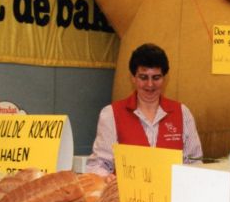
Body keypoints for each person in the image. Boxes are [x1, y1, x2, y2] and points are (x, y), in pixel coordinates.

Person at [86, 43, 203, 176]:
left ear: (165, 78)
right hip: (126, 190)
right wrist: (106, 178)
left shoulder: (182, 113)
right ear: (133, 78)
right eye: (143, 77)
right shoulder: (111, 114)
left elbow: (195, 162)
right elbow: (99, 164)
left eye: (156, 77)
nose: (150, 84)